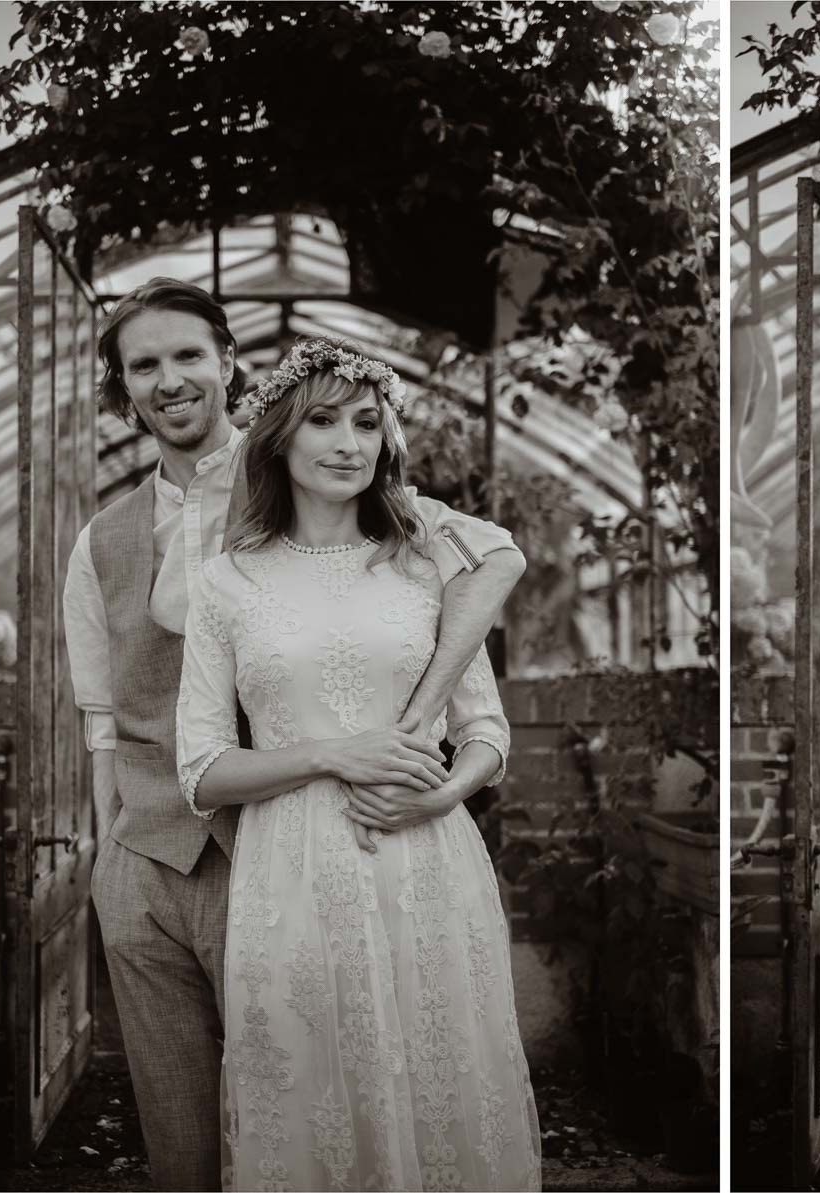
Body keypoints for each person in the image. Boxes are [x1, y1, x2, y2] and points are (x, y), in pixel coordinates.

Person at [63, 279, 525, 1191]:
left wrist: (418, 751)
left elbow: (486, 568)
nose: (171, 379)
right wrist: (110, 860)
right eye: (144, 364)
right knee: (193, 1141)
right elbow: (102, 717)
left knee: (351, 1103)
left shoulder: (327, 462)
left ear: (229, 365)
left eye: (188, 355)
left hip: (284, 857)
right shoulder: (103, 538)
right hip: (153, 850)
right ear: (123, 387)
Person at [175, 337, 540, 1190]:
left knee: (445, 1095)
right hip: (290, 881)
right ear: (280, 441)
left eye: (367, 423)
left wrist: (440, 792)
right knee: (311, 1098)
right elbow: (200, 770)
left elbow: (486, 730)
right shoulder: (227, 583)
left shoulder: (423, 565)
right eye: (324, 422)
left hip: (426, 864)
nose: (349, 442)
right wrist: (333, 753)